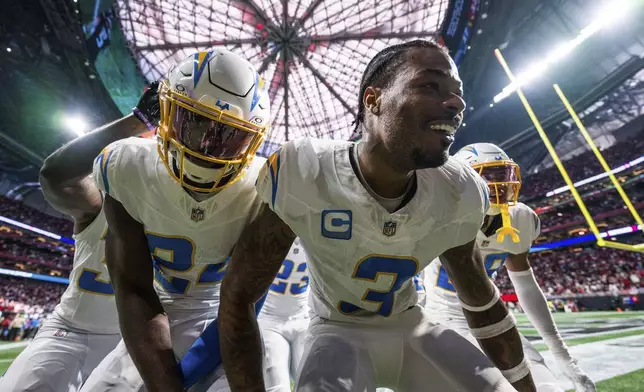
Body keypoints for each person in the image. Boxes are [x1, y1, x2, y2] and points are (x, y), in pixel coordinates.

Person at [218, 39, 536, 391]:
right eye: (430, 85)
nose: (456, 102)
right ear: (374, 100)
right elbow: (238, 298)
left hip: (412, 326)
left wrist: (525, 386)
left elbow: (482, 303)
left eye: (456, 92)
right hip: (336, 332)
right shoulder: (304, 170)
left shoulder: (459, 189)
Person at [80, 49, 270, 392]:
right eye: (195, 124)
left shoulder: (267, 188)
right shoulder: (125, 165)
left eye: (229, 137)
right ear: (166, 111)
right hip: (158, 306)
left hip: (225, 315)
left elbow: (245, 301)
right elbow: (134, 288)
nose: (207, 147)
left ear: (251, 144)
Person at [0, 95, 151, 391]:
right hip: (72, 331)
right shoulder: (103, 198)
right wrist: (141, 120)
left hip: (139, 342)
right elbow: (57, 176)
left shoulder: (197, 212)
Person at [424, 142, 596, 392]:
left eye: (503, 174)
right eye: (490, 175)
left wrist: (562, 354)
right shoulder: (438, 214)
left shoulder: (520, 218)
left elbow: (525, 284)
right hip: (444, 317)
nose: (501, 184)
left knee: (547, 387)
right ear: (464, 181)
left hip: (494, 316)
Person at [259, 238, 310, 392]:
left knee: (310, 386)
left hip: (303, 316)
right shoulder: (271, 228)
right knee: (277, 388)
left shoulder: (316, 229)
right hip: (269, 318)